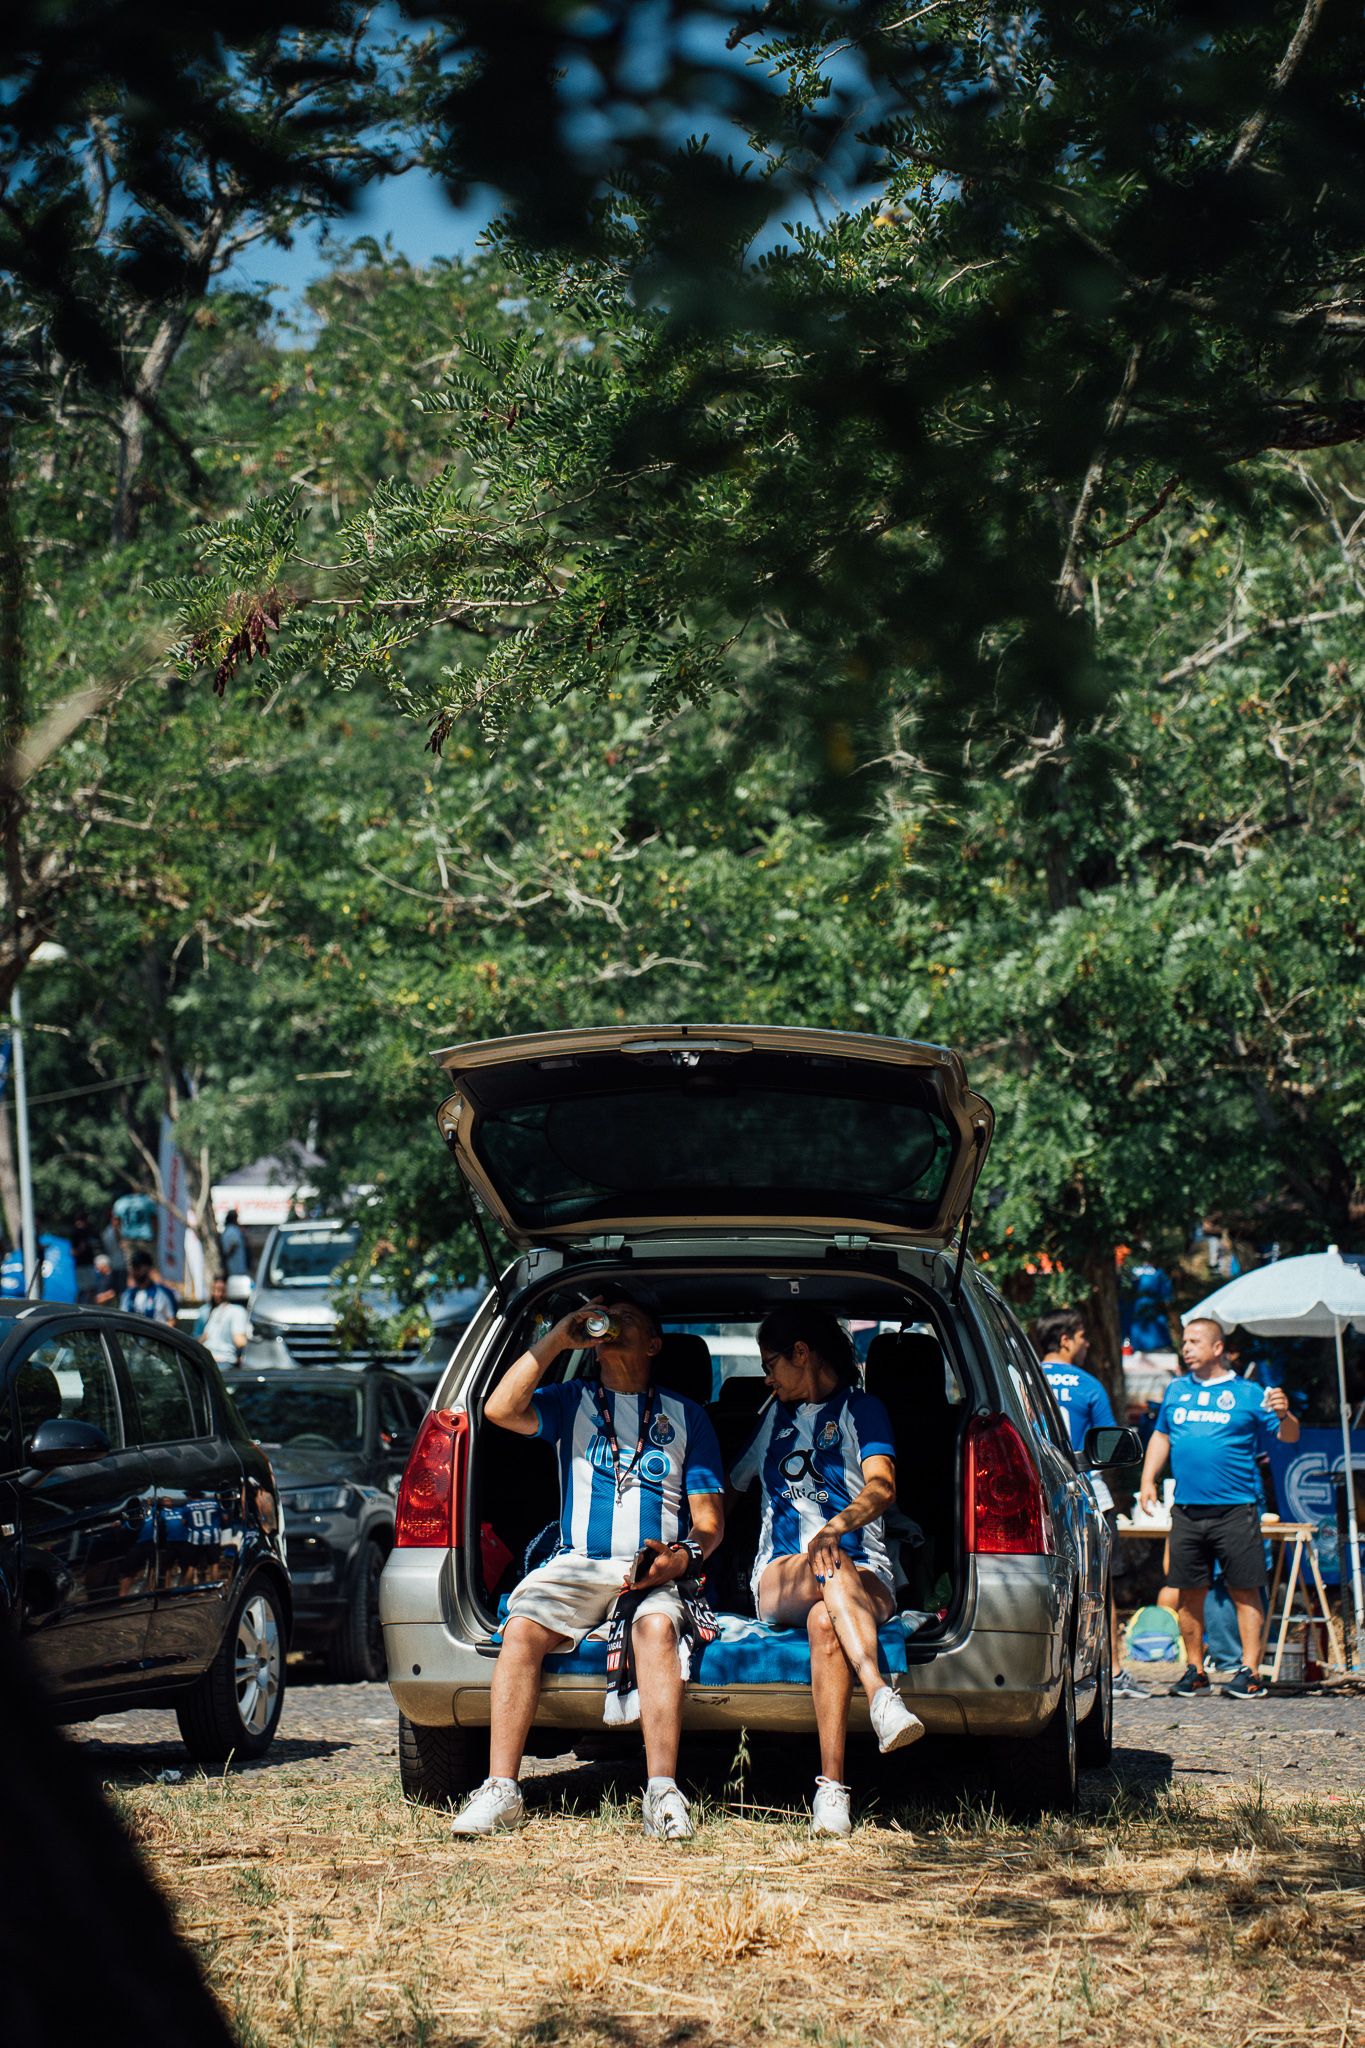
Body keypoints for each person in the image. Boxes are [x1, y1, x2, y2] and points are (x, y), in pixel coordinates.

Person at [448, 1291, 724, 1842]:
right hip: (578, 1563)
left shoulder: (687, 1415)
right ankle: (501, 1788)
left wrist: (679, 1560)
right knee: (522, 1629)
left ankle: (662, 1791)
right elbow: (499, 1410)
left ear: (653, 1343)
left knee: (656, 1627)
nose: (614, 1323)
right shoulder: (570, 1400)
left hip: (652, 1568)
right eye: (607, 1320)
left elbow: (710, 1522)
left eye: (628, 1317)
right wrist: (558, 1338)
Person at [729, 1306, 923, 1841]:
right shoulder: (774, 1415)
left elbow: (882, 1488)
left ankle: (832, 1790)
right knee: (826, 1565)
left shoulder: (865, 1410)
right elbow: (727, 1490)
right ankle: (881, 1696)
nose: (767, 1378)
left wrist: (836, 1526)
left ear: (802, 1353)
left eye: (771, 1364)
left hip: (863, 1571)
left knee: (823, 1623)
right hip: (780, 1576)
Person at [1139, 1316, 1299, 1699]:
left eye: (1194, 1341)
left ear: (1217, 1348)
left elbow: (1289, 1436)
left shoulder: (1249, 1393)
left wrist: (1284, 1413)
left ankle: (1251, 1671)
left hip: (1236, 1509)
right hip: (1188, 1510)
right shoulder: (1177, 1390)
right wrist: (1148, 1479)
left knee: (1245, 1589)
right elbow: (1162, 1434)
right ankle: (1195, 1670)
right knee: (1188, 1591)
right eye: (1184, 1342)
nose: (1186, 1348)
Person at [1034, 1307, 1144, 1699]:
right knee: (1100, 1586)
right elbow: (1108, 1441)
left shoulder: (1021, 1378)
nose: (1087, 1345)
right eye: (1082, 1337)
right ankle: (1109, 1669)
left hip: (1037, 1495)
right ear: (1065, 1339)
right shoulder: (1088, 1385)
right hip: (1085, 1496)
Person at [193, 1274, 250, 1366]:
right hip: (223, 1362)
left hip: (205, 1362)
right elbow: (239, 1341)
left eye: (222, 1291)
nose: (217, 1294)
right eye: (215, 1290)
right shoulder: (238, 1311)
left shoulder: (216, 1310)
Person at [119, 1248, 179, 1327]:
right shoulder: (127, 1295)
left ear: (148, 1267)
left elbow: (172, 1320)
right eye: (132, 1267)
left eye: (138, 1266)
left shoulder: (163, 1293)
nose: (134, 1270)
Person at [219, 1209, 249, 1278]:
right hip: (236, 1267)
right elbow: (233, 1245)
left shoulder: (227, 1230)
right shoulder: (232, 1231)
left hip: (233, 1268)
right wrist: (226, 1258)